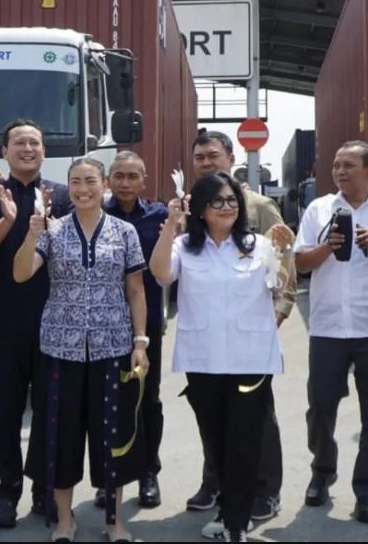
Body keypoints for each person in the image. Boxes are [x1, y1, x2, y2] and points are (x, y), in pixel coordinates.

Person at [14, 158, 149, 543]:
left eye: (90, 181)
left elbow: (136, 290)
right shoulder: (52, 231)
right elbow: (21, 274)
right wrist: (31, 234)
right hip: (61, 347)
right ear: (67, 187)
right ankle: (64, 520)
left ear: (104, 184)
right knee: (60, 434)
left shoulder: (124, 232)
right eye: (75, 182)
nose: (83, 189)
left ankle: (114, 521)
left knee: (112, 432)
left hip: (112, 345)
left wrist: (140, 342)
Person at [150, 172, 287, 543]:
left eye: (232, 200)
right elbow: (161, 274)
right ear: (201, 209)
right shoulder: (185, 246)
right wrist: (169, 227)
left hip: (251, 358)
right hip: (204, 359)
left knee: (244, 442)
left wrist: (284, 267)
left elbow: (283, 286)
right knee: (217, 441)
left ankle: (236, 525)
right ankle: (228, 512)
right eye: (218, 201)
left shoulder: (259, 244)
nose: (227, 207)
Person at [295, 141, 368, 524]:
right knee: (321, 407)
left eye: (349, 165)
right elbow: (300, 262)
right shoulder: (319, 209)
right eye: (335, 165)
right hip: (328, 328)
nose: (340, 172)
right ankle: (322, 473)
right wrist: (328, 246)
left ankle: (366, 493)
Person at [187, 131, 293, 528]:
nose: (206, 162)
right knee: (213, 417)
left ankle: (265, 490)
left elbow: (285, 268)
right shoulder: (191, 208)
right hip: (208, 337)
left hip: (251, 339)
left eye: (213, 155)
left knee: (256, 419)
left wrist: (271, 322)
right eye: (199, 157)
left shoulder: (258, 206)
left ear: (231, 158)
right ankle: (215, 484)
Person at [0, 119, 73, 528]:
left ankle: (44, 492)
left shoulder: (62, 196)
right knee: (6, 415)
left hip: (54, 323)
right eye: (19, 143)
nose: (28, 148)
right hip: (3, 323)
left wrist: (46, 225)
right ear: (5, 152)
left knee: (52, 413)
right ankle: (7, 493)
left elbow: (68, 248)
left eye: (35, 142)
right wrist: (10, 222)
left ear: (44, 151)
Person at [105, 151, 168, 509]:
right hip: (105, 323)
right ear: (109, 181)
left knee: (147, 400)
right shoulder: (96, 215)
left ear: (144, 180)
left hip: (148, 324)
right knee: (109, 402)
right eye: (119, 176)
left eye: (133, 176)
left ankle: (148, 472)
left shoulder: (160, 216)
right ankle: (109, 476)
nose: (126, 182)